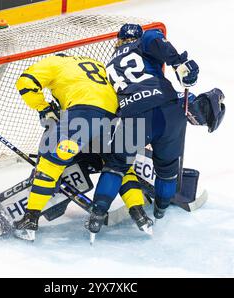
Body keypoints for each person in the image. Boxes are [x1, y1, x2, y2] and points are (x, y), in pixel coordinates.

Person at [87, 24, 224, 234]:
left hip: (134, 116)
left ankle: (97, 215)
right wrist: (179, 63)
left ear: (119, 39)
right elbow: (153, 36)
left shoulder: (108, 66)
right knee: (167, 168)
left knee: (115, 166)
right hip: (168, 112)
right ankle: (160, 211)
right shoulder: (144, 42)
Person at [13, 54, 153, 240]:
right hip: (115, 116)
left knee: (51, 163)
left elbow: (25, 82)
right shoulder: (98, 64)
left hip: (82, 113)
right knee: (118, 166)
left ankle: (30, 219)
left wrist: (43, 108)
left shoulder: (56, 62)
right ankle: (139, 213)